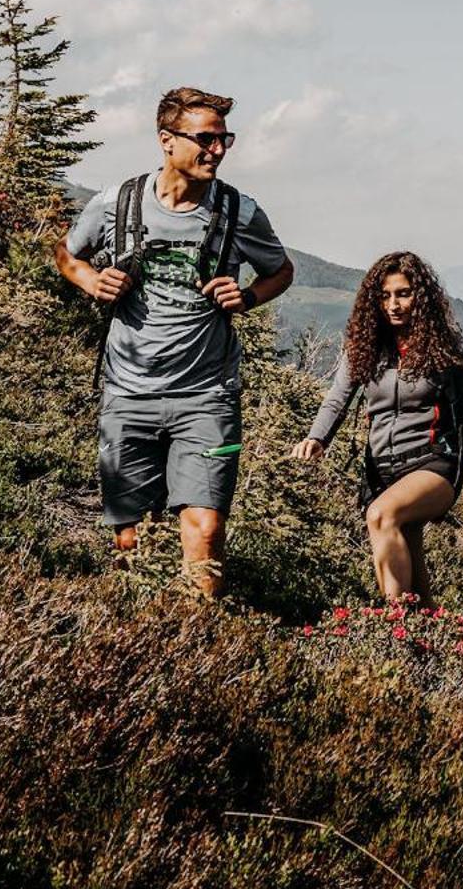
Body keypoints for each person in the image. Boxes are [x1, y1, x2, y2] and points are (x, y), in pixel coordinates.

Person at [55, 87, 294, 597]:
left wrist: (247, 296)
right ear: (167, 141)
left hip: (207, 396)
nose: (218, 150)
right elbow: (67, 254)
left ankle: (200, 643)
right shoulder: (116, 202)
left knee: (205, 530)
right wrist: (91, 281)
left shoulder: (239, 212)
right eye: (205, 139)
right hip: (127, 393)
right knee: (129, 539)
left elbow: (281, 271)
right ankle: (139, 637)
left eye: (224, 139)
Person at [293, 251, 463, 602]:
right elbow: (337, 398)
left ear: (422, 296)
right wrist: (316, 438)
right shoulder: (364, 347)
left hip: (434, 464)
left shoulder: (451, 349)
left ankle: (394, 632)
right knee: (413, 568)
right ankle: (431, 640)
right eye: (385, 296)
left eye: (403, 293)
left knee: (382, 516)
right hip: (381, 471)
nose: (393, 304)